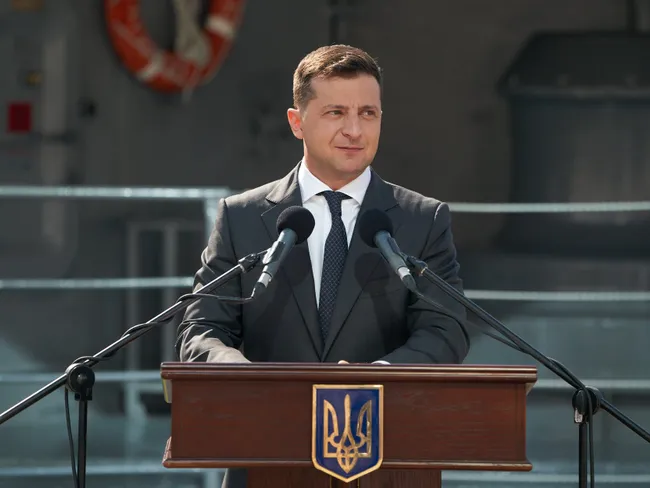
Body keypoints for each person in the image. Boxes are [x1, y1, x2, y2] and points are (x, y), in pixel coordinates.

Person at [175, 42, 470, 488]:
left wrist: (375, 381)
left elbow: (446, 329)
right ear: (297, 122)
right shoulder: (242, 217)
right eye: (336, 113)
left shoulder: (422, 219)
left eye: (368, 113)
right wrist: (246, 376)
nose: (354, 129)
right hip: (268, 453)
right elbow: (201, 329)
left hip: (388, 458)